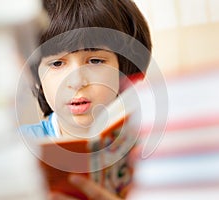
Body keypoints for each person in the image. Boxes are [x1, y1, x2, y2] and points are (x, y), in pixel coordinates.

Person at [20, 0, 152, 199]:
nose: (76, 81)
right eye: (57, 63)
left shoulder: (153, 145)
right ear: (36, 77)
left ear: (123, 70)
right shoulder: (19, 149)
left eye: (95, 61)